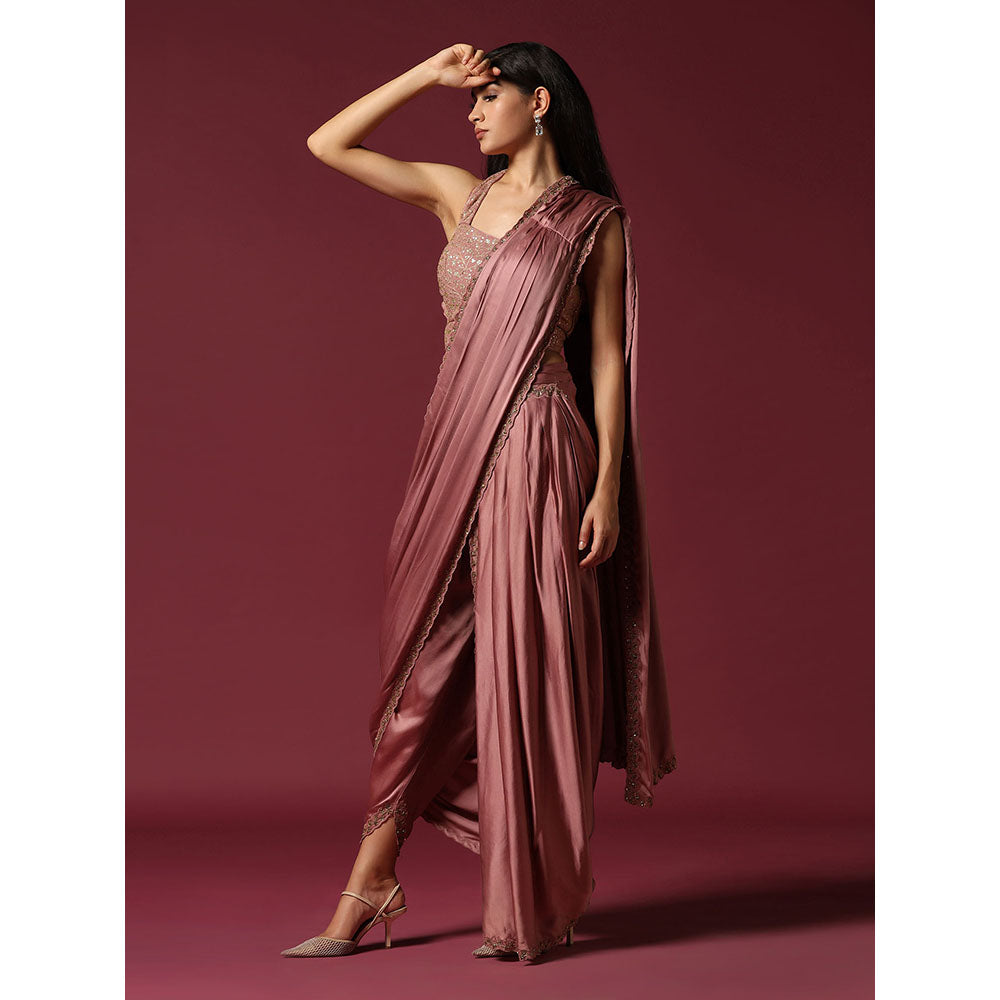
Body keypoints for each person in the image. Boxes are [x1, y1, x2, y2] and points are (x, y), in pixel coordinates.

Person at [281, 41, 677, 963]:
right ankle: (374, 877)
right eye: (469, 98)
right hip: (452, 448)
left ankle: (526, 892)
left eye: (488, 95)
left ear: (539, 102)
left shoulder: (593, 220)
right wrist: (427, 74)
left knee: (531, 661)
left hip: (541, 445)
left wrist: (606, 485)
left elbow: (607, 358)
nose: (471, 111)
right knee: (425, 669)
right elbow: (327, 144)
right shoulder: (455, 194)